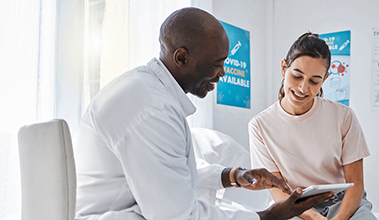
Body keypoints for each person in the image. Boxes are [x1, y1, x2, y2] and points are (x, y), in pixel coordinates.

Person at [73, 8, 333, 220]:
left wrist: (234, 176)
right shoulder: (150, 109)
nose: (221, 74)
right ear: (182, 58)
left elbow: (175, 175)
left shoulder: (150, 93)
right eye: (216, 64)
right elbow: (178, 216)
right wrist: (267, 217)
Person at [249, 32, 376, 220]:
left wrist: (339, 218)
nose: (303, 88)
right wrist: (314, 217)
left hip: (342, 202)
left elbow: (356, 183)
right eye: (297, 76)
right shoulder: (260, 125)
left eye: (314, 81)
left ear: (324, 80)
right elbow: (276, 189)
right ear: (284, 69)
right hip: (293, 206)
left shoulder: (343, 116)